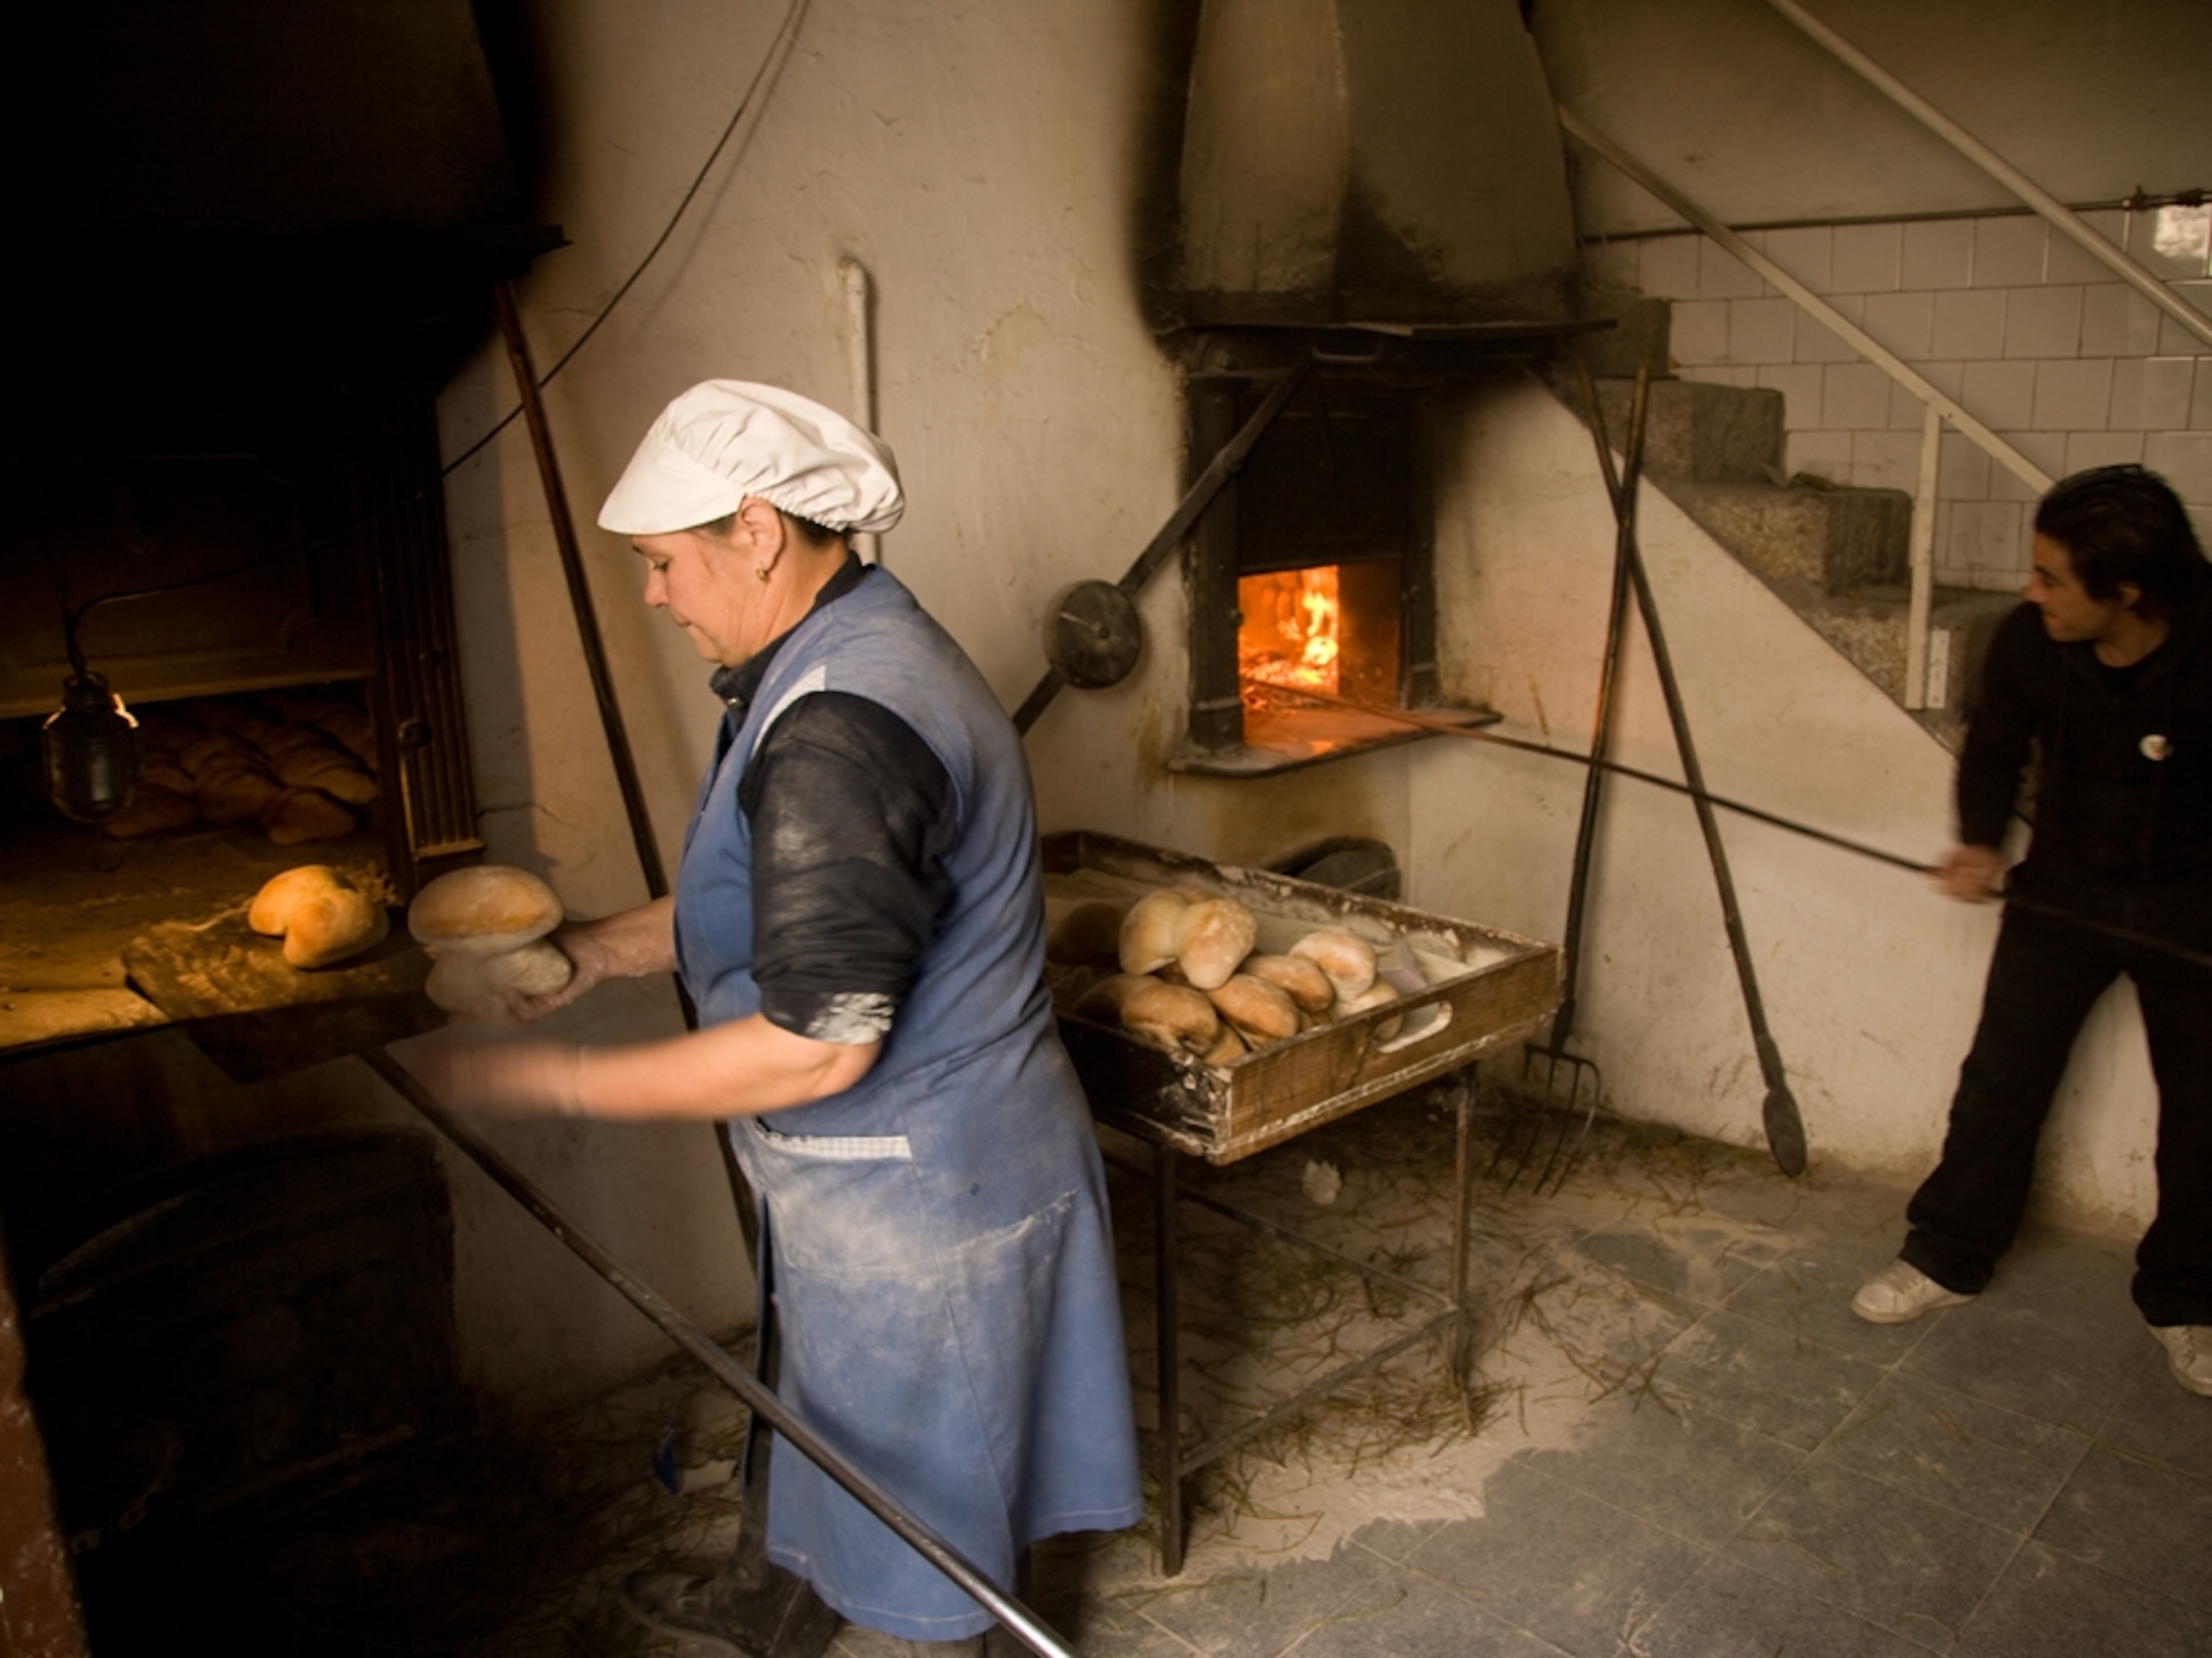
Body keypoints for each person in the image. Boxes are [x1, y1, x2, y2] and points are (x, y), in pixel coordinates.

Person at [421, 381, 1144, 1654]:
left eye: (662, 562)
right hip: (885, 1169)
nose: (652, 593)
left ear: (756, 530)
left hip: (925, 1187)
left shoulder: (839, 726)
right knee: (826, 1408)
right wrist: (585, 958)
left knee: (935, 1512)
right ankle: (781, 1595)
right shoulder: (841, 644)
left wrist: (563, 1091)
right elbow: (776, 902)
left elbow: (819, 1042)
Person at [1851, 465, 2212, 1399]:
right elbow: (1995, 743)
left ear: (2125, 592)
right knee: (2002, 1078)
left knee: (2208, 1112)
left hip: (2195, 904)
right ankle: (1948, 1252)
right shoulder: (2032, 641)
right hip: (2064, 889)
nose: (2030, 590)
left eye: (2052, 576)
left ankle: (2187, 1297)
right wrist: (1976, 842)